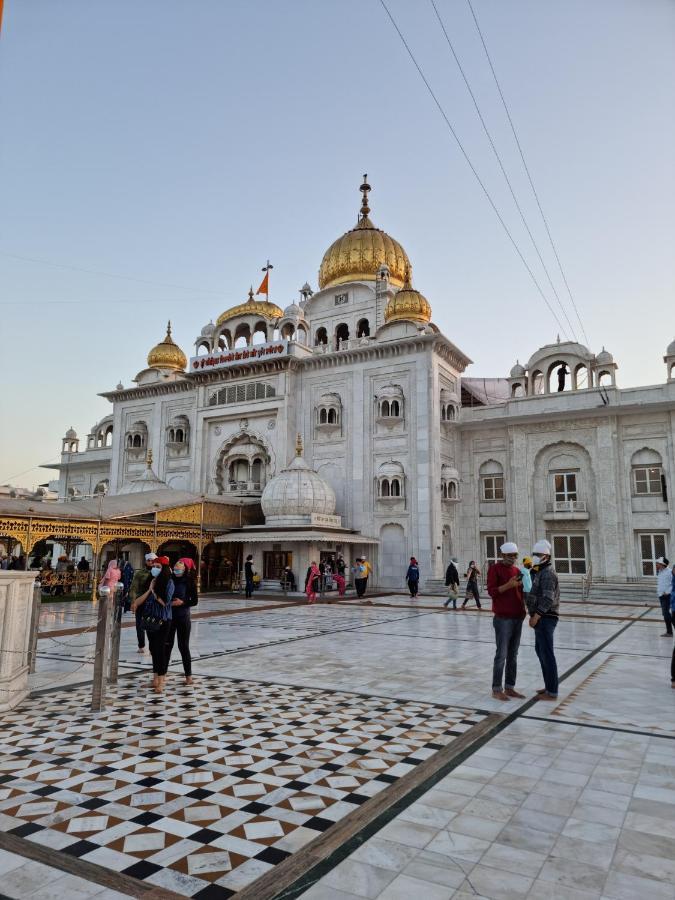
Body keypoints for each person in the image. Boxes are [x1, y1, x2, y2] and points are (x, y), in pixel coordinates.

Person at [487, 542, 526, 701]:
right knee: (501, 654)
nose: (513, 559)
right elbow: (492, 592)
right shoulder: (494, 569)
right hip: (503, 618)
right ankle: (497, 689)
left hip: (517, 617)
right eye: (510, 556)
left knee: (513, 655)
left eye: (515, 556)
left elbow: (521, 592)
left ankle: (510, 687)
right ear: (503, 556)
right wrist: (509, 585)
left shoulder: (517, 571)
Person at [131, 556, 174, 692]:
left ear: (164, 569)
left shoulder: (169, 583)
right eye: (154, 566)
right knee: (154, 650)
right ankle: (155, 679)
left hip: (162, 620)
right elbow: (141, 599)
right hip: (150, 620)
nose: (155, 569)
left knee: (160, 650)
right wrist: (150, 589)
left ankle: (161, 681)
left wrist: (154, 591)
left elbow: (165, 602)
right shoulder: (151, 581)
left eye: (158, 567)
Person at [527, 539, 560, 700]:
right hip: (540, 618)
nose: (535, 557)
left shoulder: (547, 573)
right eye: (534, 554)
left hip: (546, 617)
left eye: (538, 555)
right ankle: (548, 687)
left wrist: (537, 616)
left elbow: (548, 598)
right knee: (540, 651)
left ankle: (552, 691)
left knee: (547, 653)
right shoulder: (540, 571)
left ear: (546, 556)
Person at [166, 557, 198, 685]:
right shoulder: (170, 580)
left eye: (179, 569)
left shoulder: (189, 582)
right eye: (175, 569)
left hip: (183, 616)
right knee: (167, 645)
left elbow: (194, 601)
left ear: (185, 569)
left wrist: (182, 602)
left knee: (183, 646)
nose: (176, 571)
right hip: (170, 616)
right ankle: (163, 673)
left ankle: (188, 676)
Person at [129, 553, 156, 652]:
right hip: (140, 601)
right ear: (145, 561)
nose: (150, 562)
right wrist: (133, 601)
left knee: (152, 624)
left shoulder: (158, 572)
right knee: (139, 624)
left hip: (153, 602)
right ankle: (141, 645)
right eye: (149, 560)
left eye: (152, 560)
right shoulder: (140, 573)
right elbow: (134, 588)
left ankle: (153, 645)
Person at [656, 557, 673, 637]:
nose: (657, 564)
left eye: (658, 563)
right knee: (665, 614)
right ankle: (669, 632)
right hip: (661, 595)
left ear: (663, 564)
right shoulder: (659, 571)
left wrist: (667, 592)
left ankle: (669, 632)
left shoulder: (670, 572)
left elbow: (673, 583)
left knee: (666, 614)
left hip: (667, 595)